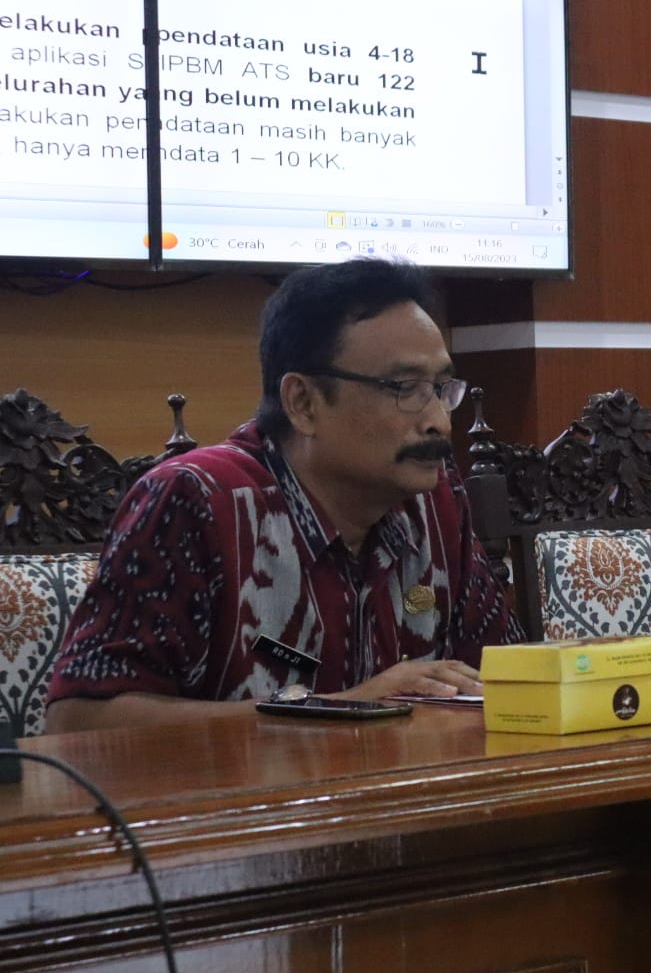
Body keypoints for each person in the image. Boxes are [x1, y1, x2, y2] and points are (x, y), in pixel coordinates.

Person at [46, 258, 523, 732]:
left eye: (441, 388)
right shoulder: (199, 502)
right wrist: (343, 709)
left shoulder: (435, 502)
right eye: (404, 388)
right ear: (303, 402)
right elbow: (80, 723)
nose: (439, 419)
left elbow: (508, 679)